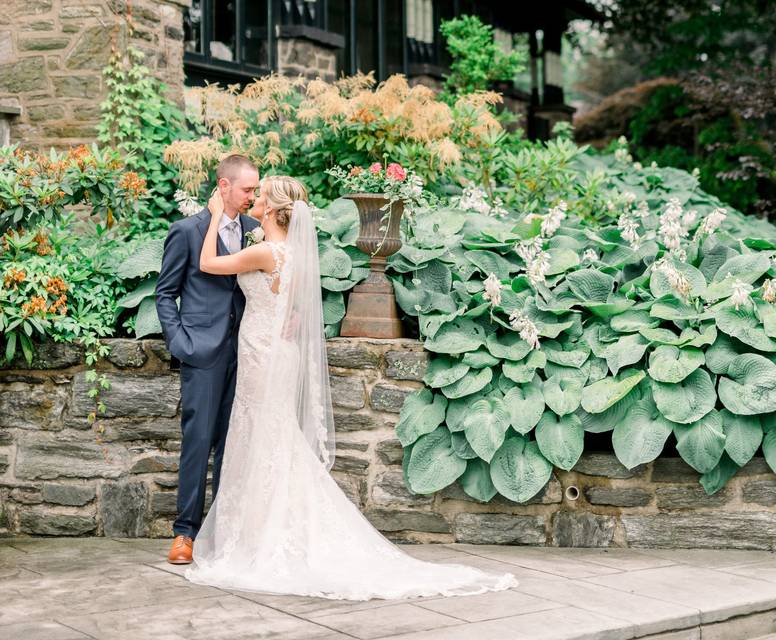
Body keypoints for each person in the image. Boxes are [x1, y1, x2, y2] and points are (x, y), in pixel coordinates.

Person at [181, 174, 517, 599]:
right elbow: (294, 310)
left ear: (271, 208)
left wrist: (212, 217)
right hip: (272, 352)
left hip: (263, 353)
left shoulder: (265, 250)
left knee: (261, 436)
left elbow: (209, 263)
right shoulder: (293, 254)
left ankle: (259, 538)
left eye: (260, 195)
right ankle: (266, 530)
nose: (255, 199)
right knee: (271, 436)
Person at [155, 154, 261, 565]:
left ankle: (225, 530)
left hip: (248, 350)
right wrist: (180, 342)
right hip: (202, 350)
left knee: (234, 443)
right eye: (247, 189)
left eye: (255, 189)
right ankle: (185, 534)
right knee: (198, 442)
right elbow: (165, 294)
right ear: (223, 186)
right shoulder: (186, 230)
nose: (252, 196)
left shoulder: (256, 231)